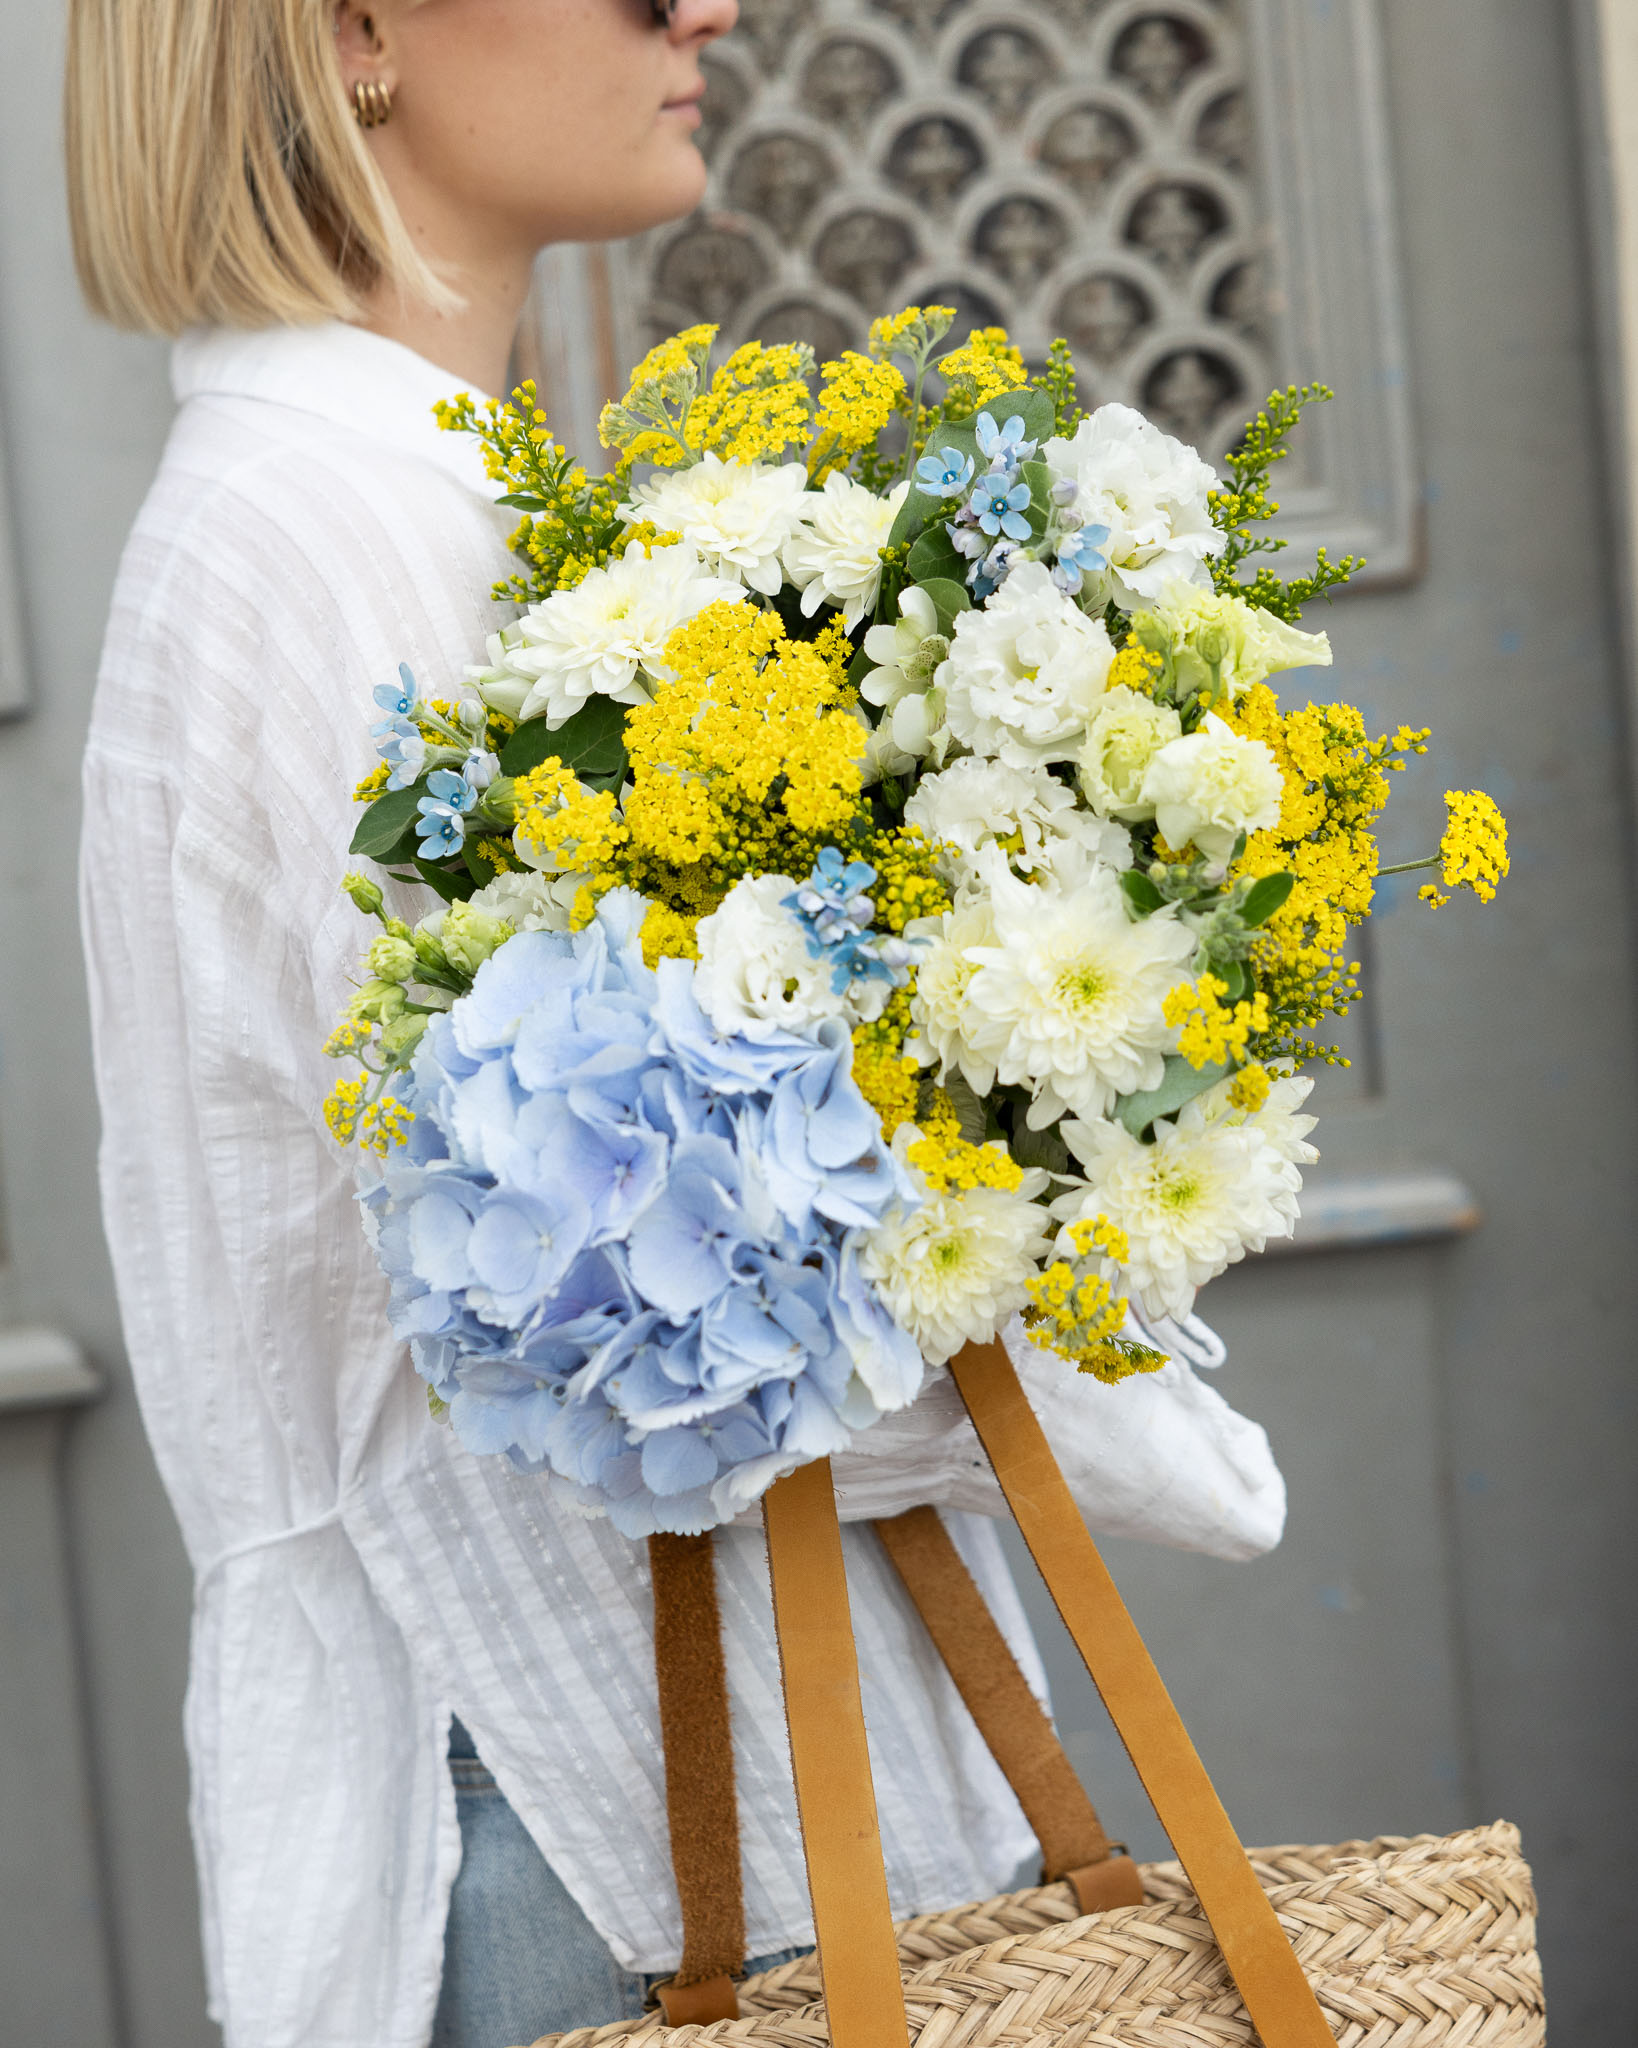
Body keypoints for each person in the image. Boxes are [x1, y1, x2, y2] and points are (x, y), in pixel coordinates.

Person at [65, 5, 1288, 2045]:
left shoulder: (444, 490)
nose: (702, 5)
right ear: (355, 28)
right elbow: (566, 1302)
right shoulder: (297, 538)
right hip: (596, 1813)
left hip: (708, 1779)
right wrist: (1111, 1387)